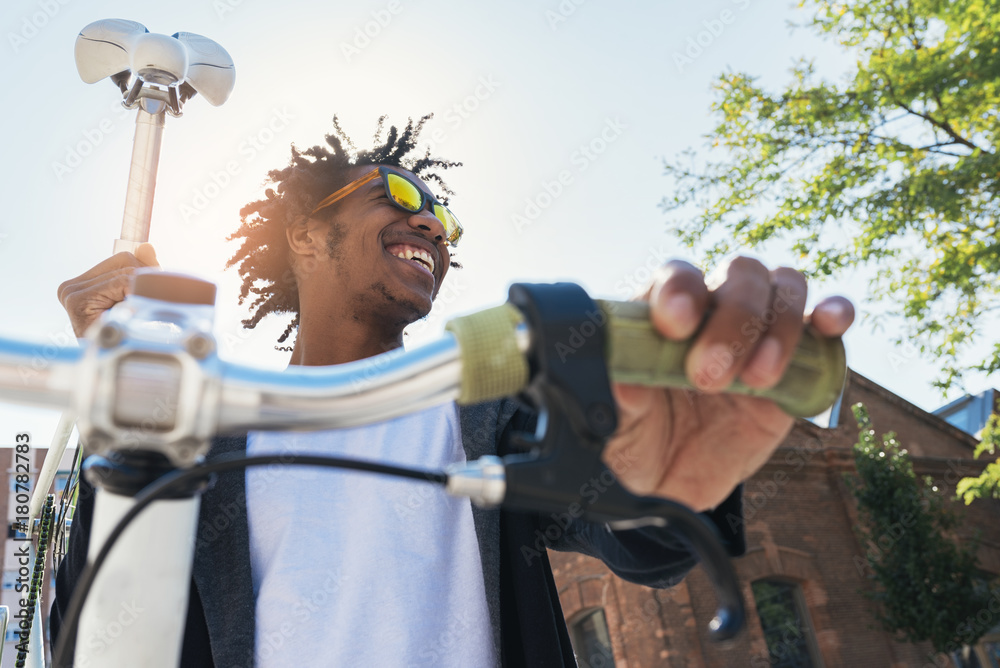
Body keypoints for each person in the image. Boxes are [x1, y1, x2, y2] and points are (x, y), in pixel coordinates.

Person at [51, 115, 854, 667]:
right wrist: (128, 423)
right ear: (302, 231)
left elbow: (639, 538)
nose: (433, 224)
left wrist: (668, 489)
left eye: (444, 219)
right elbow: (97, 642)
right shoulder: (208, 433)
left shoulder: (486, 410)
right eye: (398, 197)